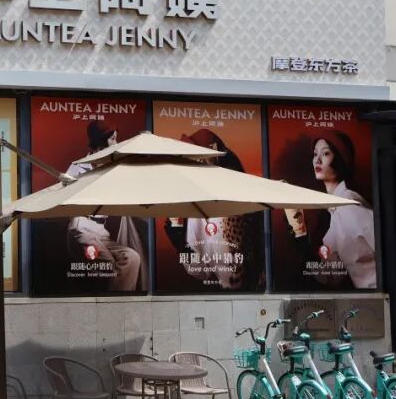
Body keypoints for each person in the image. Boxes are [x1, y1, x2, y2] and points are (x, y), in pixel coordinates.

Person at [164, 128, 264, 291]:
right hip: (217, 291)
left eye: (195, 159)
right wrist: (181, 245)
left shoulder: (242, 203)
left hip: (248, 291)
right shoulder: (193, 210)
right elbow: (201, 272)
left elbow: (252, 261)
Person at [283, 131, 377, 288]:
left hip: (377, 293)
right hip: (365, 296)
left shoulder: (349, 205)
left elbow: (385, 249)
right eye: (315, 154)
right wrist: (301, 240)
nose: (317, 160)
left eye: (325, 153)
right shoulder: (335, 210)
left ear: (341, 159)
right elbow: (330, 276)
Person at [64, 120, 147, 291]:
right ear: (101, 140)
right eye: (113, 138)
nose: (116, 143)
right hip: (81, 227)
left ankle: (119, 300)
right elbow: (62, 195)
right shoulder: (78, 167)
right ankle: (112, 301)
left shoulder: (112, 167)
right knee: (107, 265)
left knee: (132, 258)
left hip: (102, 232)